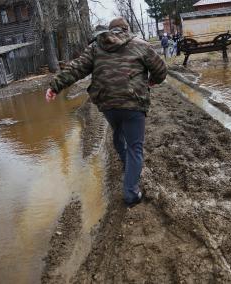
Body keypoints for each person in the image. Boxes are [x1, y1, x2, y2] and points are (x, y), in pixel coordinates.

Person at [45, 18, 167, 207]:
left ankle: (126, 163)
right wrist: (152, 81)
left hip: (108, 104)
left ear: (111, 31)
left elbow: (77, 67)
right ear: (126, 29)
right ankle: (131, 193)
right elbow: (161, 69)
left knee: (118, 133)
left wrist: (55, 86)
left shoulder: (96, 47)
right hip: (134, 103)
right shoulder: (140, 44)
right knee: (135, 147)